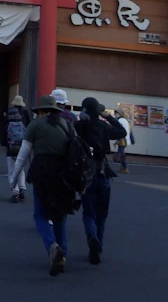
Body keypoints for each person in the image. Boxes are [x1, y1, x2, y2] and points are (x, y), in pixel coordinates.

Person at [10, 95, 76, 277]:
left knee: (40, 214)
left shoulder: (35, 125)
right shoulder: (66, 125)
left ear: (40, 111)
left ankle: (52, 246)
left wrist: (13, 181)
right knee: (60, 215)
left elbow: (23, 156)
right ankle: (63, 254)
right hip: (63, 175)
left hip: (42, 172)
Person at [75, 97, 127, 266]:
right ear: (98, 111)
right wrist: (109, 117)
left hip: (86, 173)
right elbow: (122, 132)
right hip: (103, 172)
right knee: (101, 215)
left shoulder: (80, 126)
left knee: (88, 212)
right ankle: (98, 246)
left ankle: (91, 236)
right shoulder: (104, 126)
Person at [1, 95, 31, 203]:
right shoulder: (24, 116)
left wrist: (5, 144)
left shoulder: (8, 121)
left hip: (11, 148)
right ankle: (22, 188)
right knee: (20, 169)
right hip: (22, 147)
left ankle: (15, 192)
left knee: (12, 171)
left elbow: (4, 136)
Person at [113, 109, 131, 174]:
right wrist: (132, 140)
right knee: (121, 153)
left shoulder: (120, 121)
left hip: (122, 140)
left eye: (116, 113)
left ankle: (125, 168)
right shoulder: (125, 120)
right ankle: (123, 168)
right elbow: (130, 131)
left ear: (119, 114)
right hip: (125, 140)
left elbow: (119, 131)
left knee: (121, 154)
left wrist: (117, 140)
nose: (115, 115)